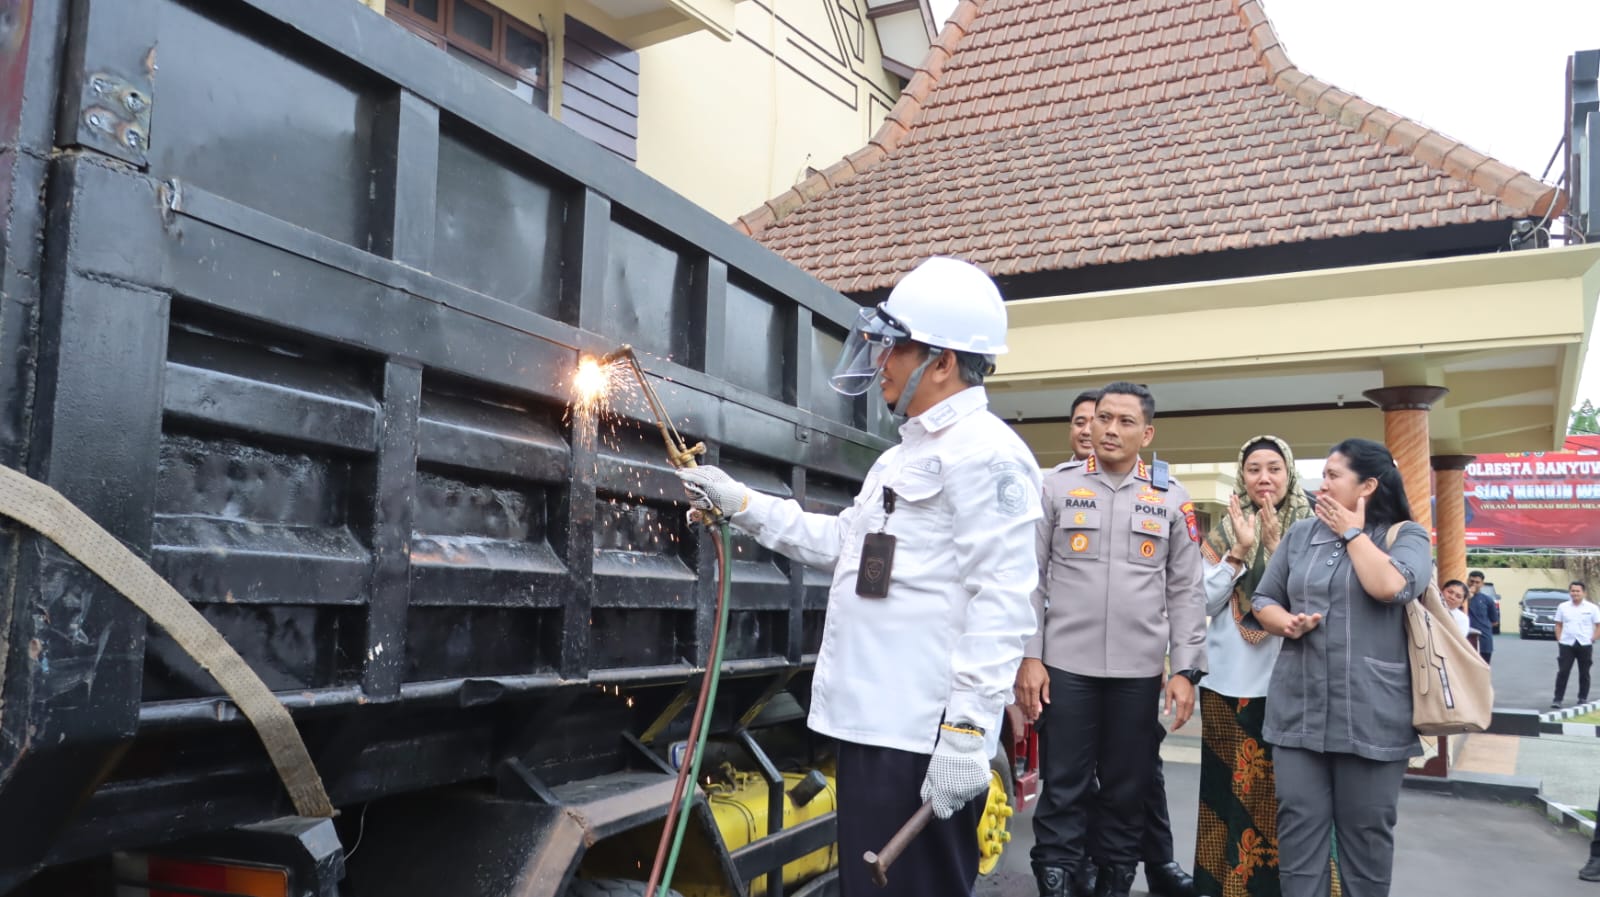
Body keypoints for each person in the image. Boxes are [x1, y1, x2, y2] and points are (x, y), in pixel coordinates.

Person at [676, 257, 1040, 897]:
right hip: (875, 722)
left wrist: (967, 731)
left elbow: (1003, 600)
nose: (881, 363)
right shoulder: (905, 455)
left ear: (944, 360)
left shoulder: (988, 452)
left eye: (894, 348)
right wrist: (741, 504)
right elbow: (848, 543)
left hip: (923, 731)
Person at [1018, 381, 1207, 897]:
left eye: (1125, 422)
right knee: (1064, 786)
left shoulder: (1171, 498)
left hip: (1138, 671)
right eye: (1103, 418)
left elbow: (1186, 590)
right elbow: (1028, 579)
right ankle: (1056, 880)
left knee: (1128, 789)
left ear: (1146, 433)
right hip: (1065, 668)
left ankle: (1114, 883)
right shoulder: (1053, 487)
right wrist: (1030, 657)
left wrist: (1186, 670)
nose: (1110, 429)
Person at [1250, 438, 1431, 897]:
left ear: (1367, 485)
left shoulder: (1406, 535)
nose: (1321, 484)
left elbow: (1391, 586)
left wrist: (1353, 533)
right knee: (1298, 836)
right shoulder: (1300, 535)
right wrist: (1285, 622)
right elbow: (1264, 599)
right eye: (1323, 474)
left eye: (1333, 476)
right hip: (1298, 712)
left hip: (1372, 715)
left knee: (1366, 839)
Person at [1193, 436, 1315, 897]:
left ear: (1290, 474)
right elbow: (1201, 600)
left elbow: (1318, 600)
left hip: (1293, 684)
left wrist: (1278, 550)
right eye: (1253, 469)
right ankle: (1222, 887)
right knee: (1226, 795)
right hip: (1228, 682)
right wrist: (1241, 552)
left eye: (1274, 468)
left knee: (1289, 799)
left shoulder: (1313, 528)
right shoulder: (1225, 529)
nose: (1263, 478)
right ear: (1241, 476)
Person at [1552, 581, 1598, 708]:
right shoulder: (1563, 607)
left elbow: (1598, 625)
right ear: (1570, 592)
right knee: (1563, 672)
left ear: (1583, 593)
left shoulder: (1592, 608)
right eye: (1573, 591)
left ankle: (1582, 698)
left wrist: (1593, 638)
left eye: (1578, 591)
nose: (1575, 593)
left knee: (1584, 672)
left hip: (1584, 643)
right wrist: (1559, 639)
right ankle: (1557, 699)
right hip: (1567, 644)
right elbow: (1558, 624)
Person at [1466, 571, 1499, 665]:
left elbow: (1494, 621)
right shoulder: (1461, 597)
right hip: (1466, 640)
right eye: (1471, 581)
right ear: (1467, 581)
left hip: (1484, 641)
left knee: (1483, 668)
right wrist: (1468, 597)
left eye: (1477, 582)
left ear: (1482, 584)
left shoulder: (1487, 600)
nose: (1474, 584)